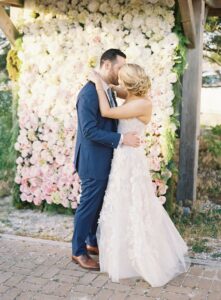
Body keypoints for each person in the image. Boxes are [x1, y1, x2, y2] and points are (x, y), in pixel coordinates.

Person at [90, 63, 190, 287]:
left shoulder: (141, 104)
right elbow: (122, 92)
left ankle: (144, 258)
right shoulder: (134, 96)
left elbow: (107, 112)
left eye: (122, 80)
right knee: (125, 204)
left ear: (130, 84)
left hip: (130, 161)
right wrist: (110, 86)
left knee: (135, 204)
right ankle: (125, 255)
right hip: (124, 156)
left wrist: (98, 84)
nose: (119, 83)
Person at [72, 49, 141, 271]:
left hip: (105, 157)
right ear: (107, 65)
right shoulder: (89, 94)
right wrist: (122, 139)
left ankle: (92, 242)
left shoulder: (105, 88)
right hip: (93, 160)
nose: (121, 72)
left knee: (98, 203)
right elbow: (89, 131)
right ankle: (78, 251)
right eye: (120, 67)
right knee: (88, 205)